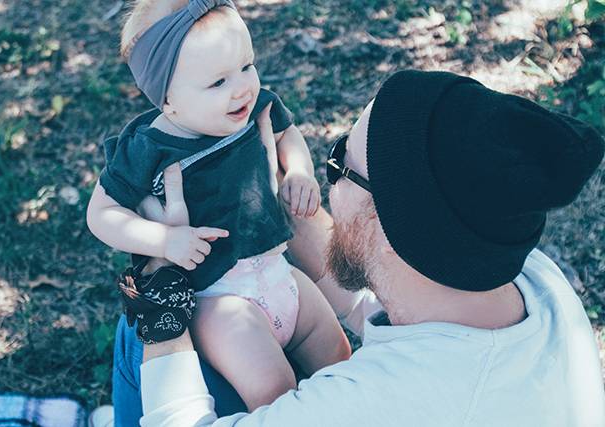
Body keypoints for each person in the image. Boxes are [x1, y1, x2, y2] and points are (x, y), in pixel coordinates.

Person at [134, 69, 605, 426]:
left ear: (390, 224)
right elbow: (372, 288)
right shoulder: (527, 277)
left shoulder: (378, 403)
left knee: (145, 340)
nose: (327, 174)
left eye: (340, 163)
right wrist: (262, 194)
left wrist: (159, 276)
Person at [85, 0, 351, 418]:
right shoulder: (147, 147)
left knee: (340, 357)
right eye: (218, 82)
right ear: (167, 100)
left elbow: (287, 136)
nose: (242, 87)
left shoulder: (255, 106)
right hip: (221, 298)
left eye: (247, 66)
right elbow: (101, 214)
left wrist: (299, 171)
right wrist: (164, 239)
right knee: (276, 392)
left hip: (279, 273)